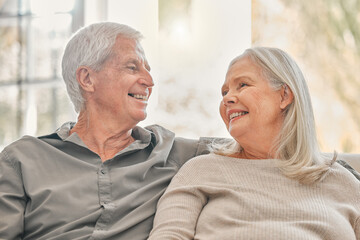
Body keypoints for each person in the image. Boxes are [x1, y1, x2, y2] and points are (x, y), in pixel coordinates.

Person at [0, 22, 212, 240]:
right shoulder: (21, 160)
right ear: (87, 79)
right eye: (132, 67)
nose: (149, 81)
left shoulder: (173, 152)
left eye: (147, 70)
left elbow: (245, 144)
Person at [148, 47, 360, 239]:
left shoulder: (344, 183)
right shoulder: (200, 170)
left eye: (242, 85)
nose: (227, 98)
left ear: (284, 95)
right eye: (224, 92)